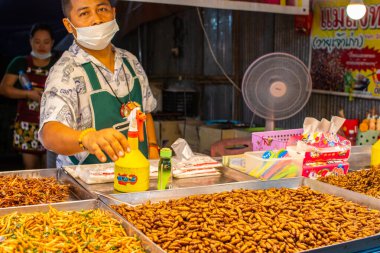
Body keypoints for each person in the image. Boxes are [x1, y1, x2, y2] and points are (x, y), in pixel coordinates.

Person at [39, 0, 159, 167]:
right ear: (68, 25)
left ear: (114, 13)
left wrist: (152, 148)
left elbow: (145, 112)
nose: (97, 19)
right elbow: (49, 133)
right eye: (84, 13)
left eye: (102, 9)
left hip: (137, 175)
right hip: (87, 184)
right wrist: (86, 138)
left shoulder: (130, 61)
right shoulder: (66, 71)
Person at [0, 23, 57, 169]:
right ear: (30, 41)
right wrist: (28, 94)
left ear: (52, 42)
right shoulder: (20, 62)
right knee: (30, 170)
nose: (41, 46)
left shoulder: (58, 64)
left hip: (52, 124)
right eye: (37, 41)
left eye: (46, 42)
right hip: (27, 125)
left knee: (49, 170)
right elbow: (4, 89)